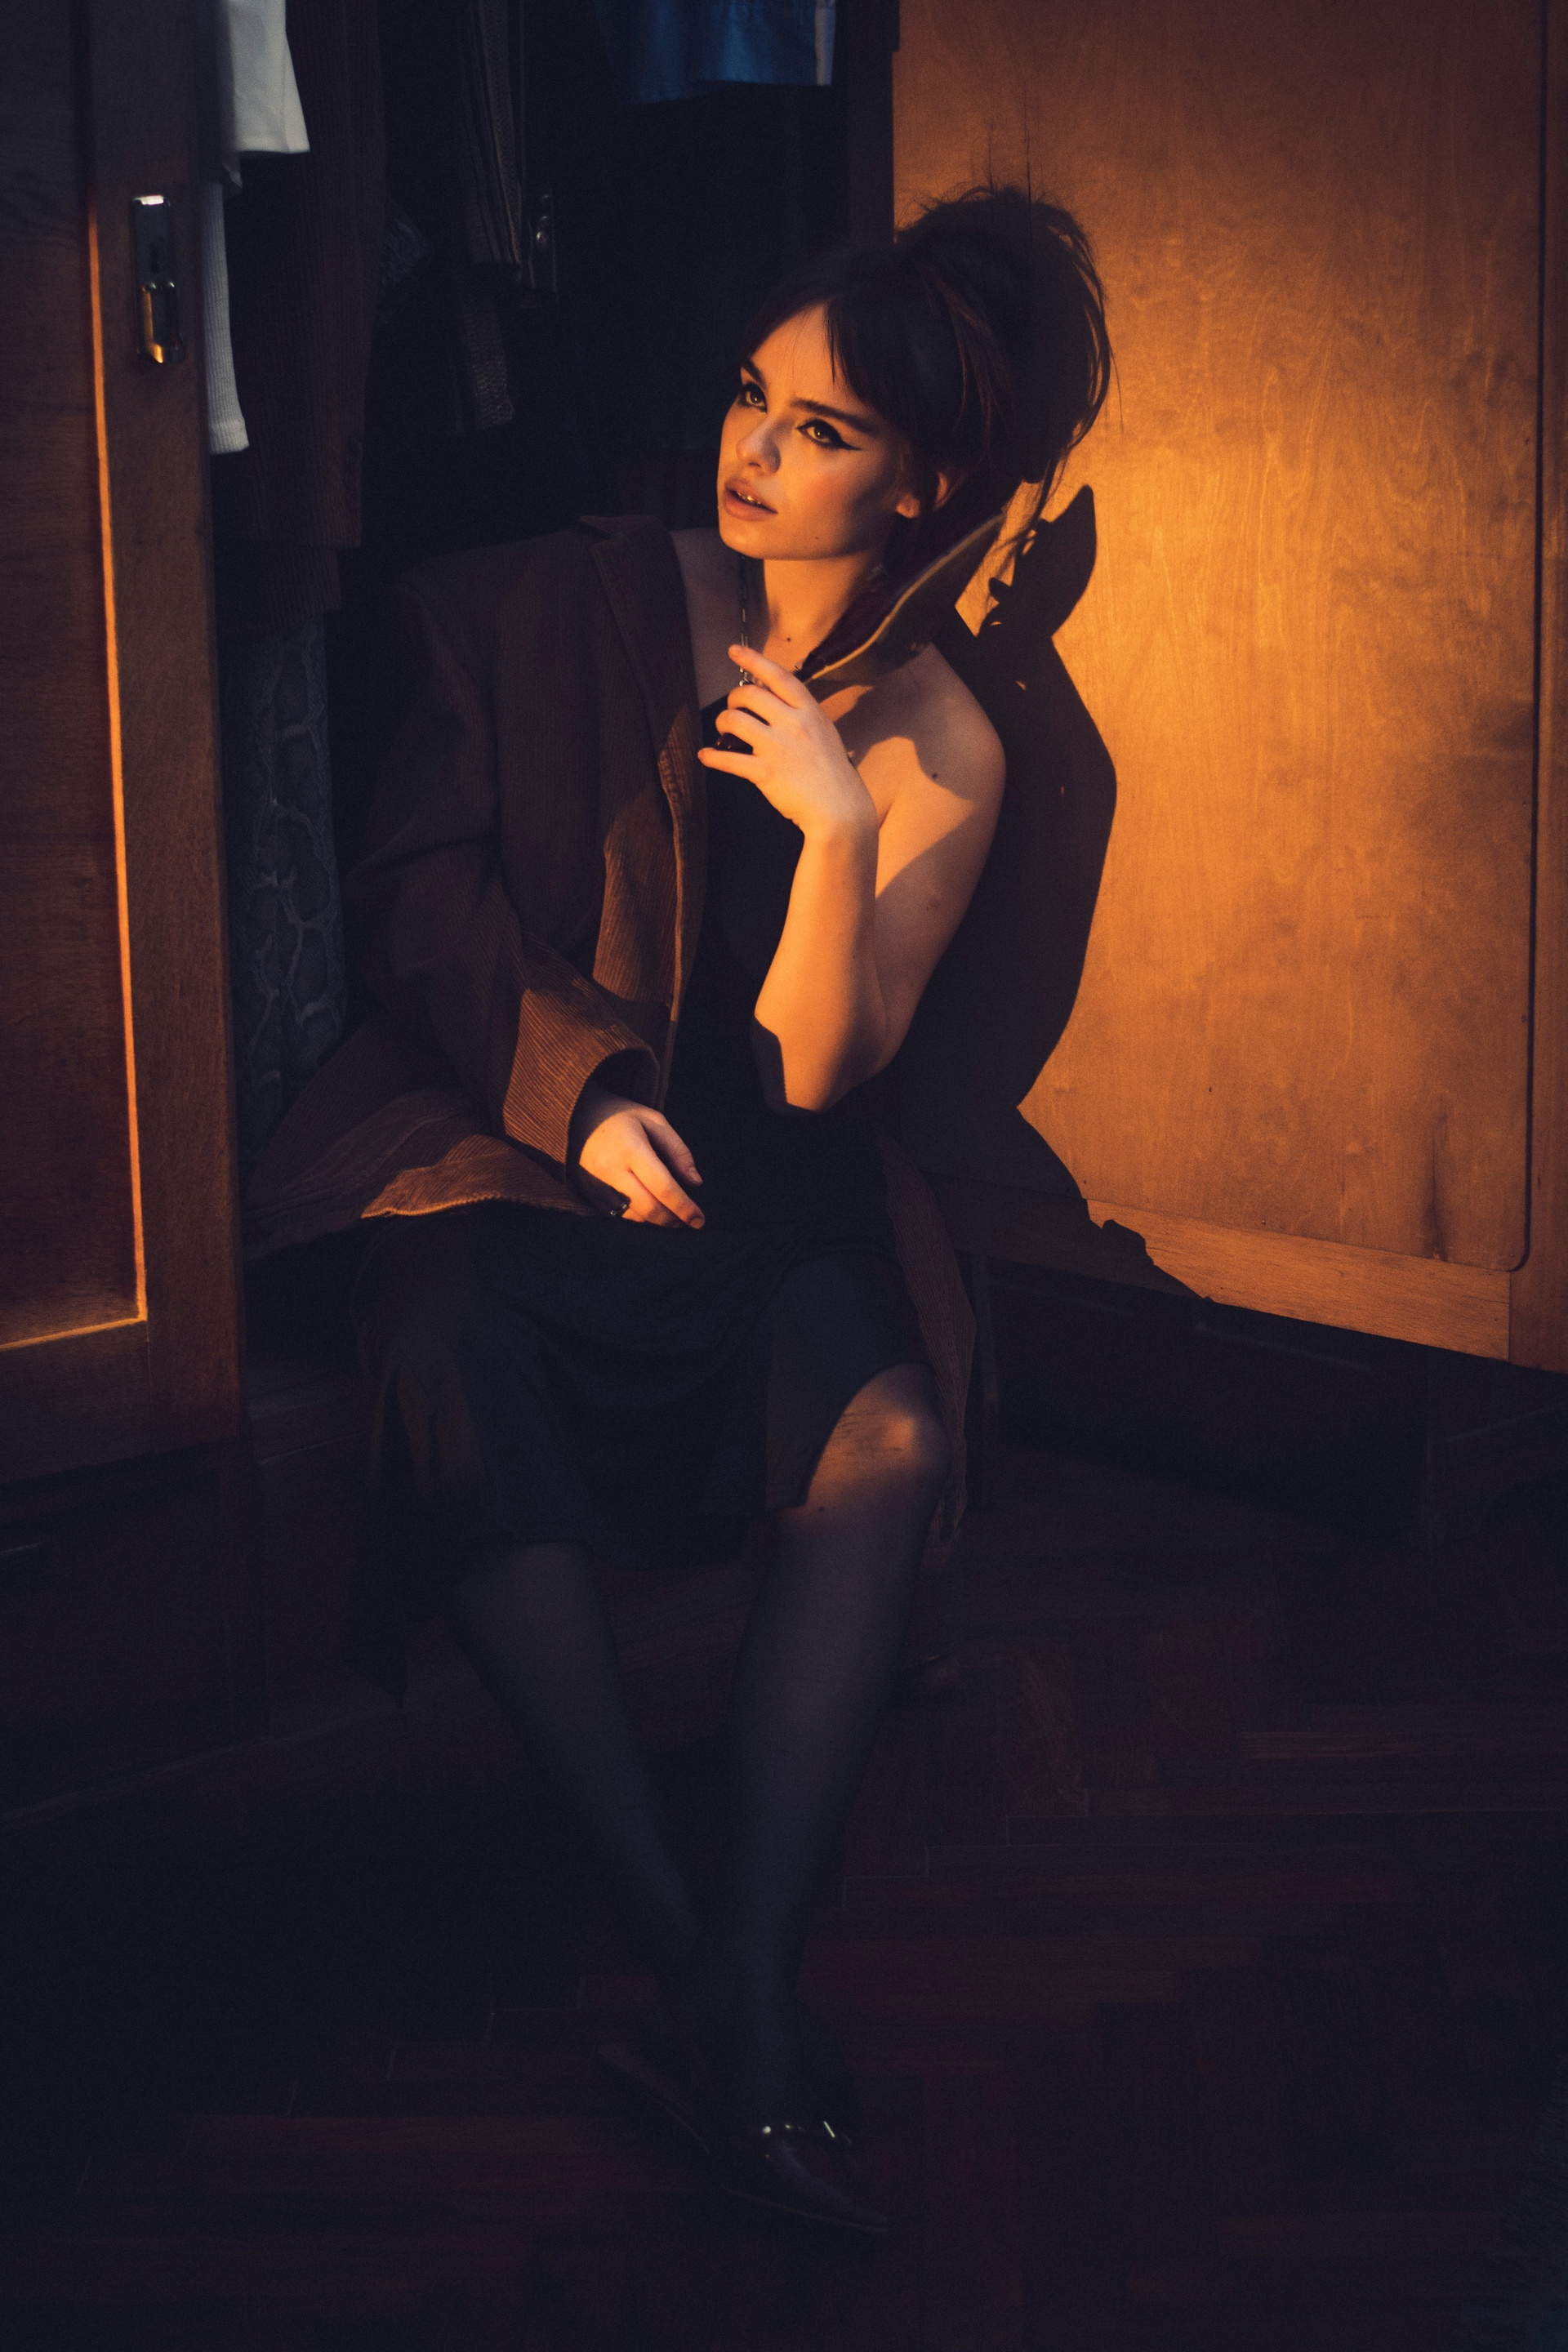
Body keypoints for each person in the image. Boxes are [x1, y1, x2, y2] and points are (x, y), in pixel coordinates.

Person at [247, 185, 1110, 2230]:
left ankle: (719, 1994)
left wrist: (836, 828)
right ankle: (717, 1979)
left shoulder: (948, 740)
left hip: (773, 1186)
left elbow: (817, 1074)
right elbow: (418, 901)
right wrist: (591, 1094)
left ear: (925, 485)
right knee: (444, 1348)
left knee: (892, 1442)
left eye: (822, 430)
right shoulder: (543, 604)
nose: (755, 450)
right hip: (508, 1141)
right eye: (749, 397)